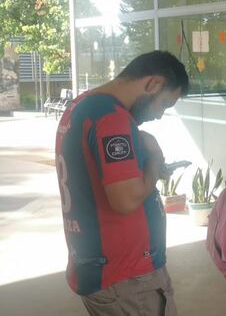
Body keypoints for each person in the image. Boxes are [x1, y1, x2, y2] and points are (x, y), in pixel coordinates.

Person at [55, 50, 189, 316]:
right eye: (164, 104)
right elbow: (126, 199)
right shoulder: (112, 118)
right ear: (153, 84)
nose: (160, 115)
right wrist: (154, 158)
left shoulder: (83, 106)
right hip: (126, 279)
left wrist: (147, 170)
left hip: (103, 269)